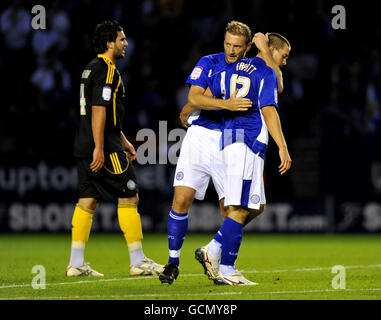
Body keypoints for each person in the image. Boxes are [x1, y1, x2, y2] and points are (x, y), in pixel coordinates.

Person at [159, 21, 283, 284]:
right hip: (202, 136)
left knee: (241, 208)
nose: (231, 50)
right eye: (227, 44)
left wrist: (267, 53)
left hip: (229, 139)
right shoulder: (209, 61)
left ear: (248, 47)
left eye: (237, 46)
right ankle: (173, 262)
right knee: (181, 198)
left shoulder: (254, 67)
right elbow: (194, 97)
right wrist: (225, 104)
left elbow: (276, 87)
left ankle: (217, 257)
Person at [66, 20, 164, 277]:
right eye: (122, 39)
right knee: (129, 195)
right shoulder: (108, 70)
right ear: (110, 43)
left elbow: (104, 114)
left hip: (84, 142)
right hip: (104, 148)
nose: (126, 43)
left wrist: (124, 139)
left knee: (87, 200)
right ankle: (138, 261)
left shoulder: (89, 68)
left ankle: (75, 264)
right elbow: (99, 109)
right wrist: (102, 147)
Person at [194, 32, 292, 283]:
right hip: (247, 141)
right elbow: (269, 109)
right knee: (240, 208)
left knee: (257, 206)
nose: (284, 62)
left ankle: (213, 249)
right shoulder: (266, 72)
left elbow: (208, 96)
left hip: (230, 140)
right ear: (271, 50)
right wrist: (282, 146)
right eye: (283, 55)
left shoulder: (233, 67)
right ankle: (227, 269)